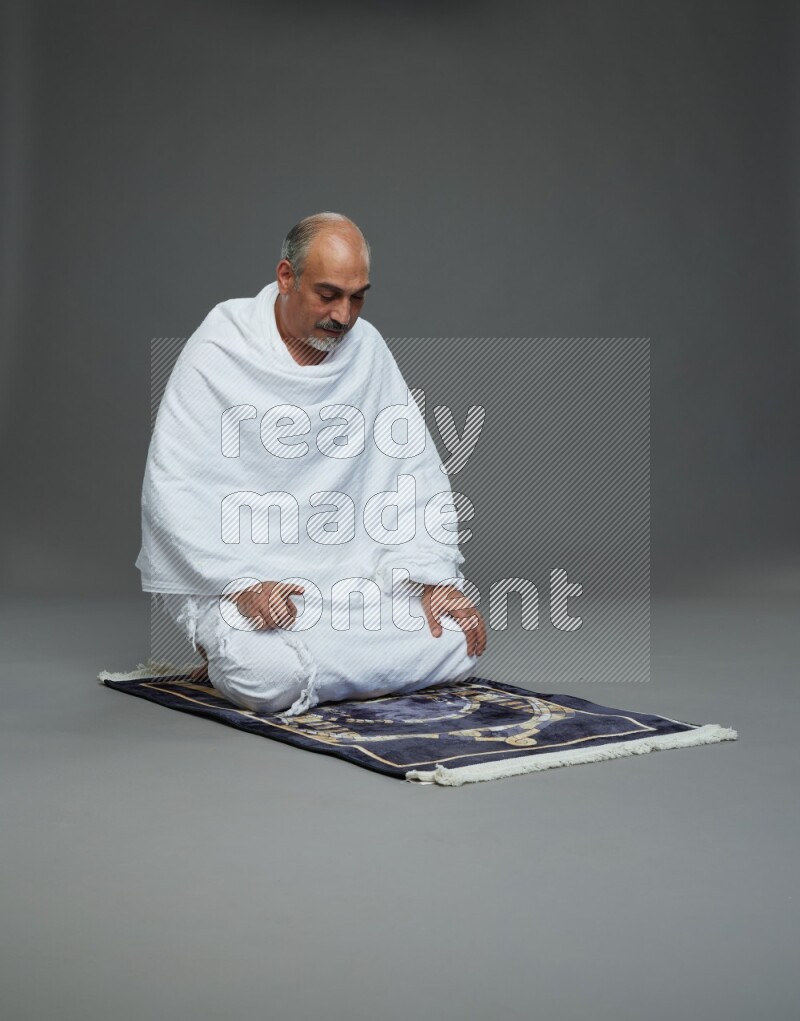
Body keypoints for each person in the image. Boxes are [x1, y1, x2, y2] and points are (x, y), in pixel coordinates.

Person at [137, 212, 486, 717]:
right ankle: (299, 661)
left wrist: (433, 579)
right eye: (327, 295)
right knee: (268, 678)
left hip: (355, 580)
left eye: (358, 296)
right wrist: (240, 582)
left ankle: (323, 667)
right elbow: (174, 486)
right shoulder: (221, 345)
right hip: (251, 584)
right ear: (286, 278)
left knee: (457, 636)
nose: (344, 316)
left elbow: (413, 474)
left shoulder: (369, 350)